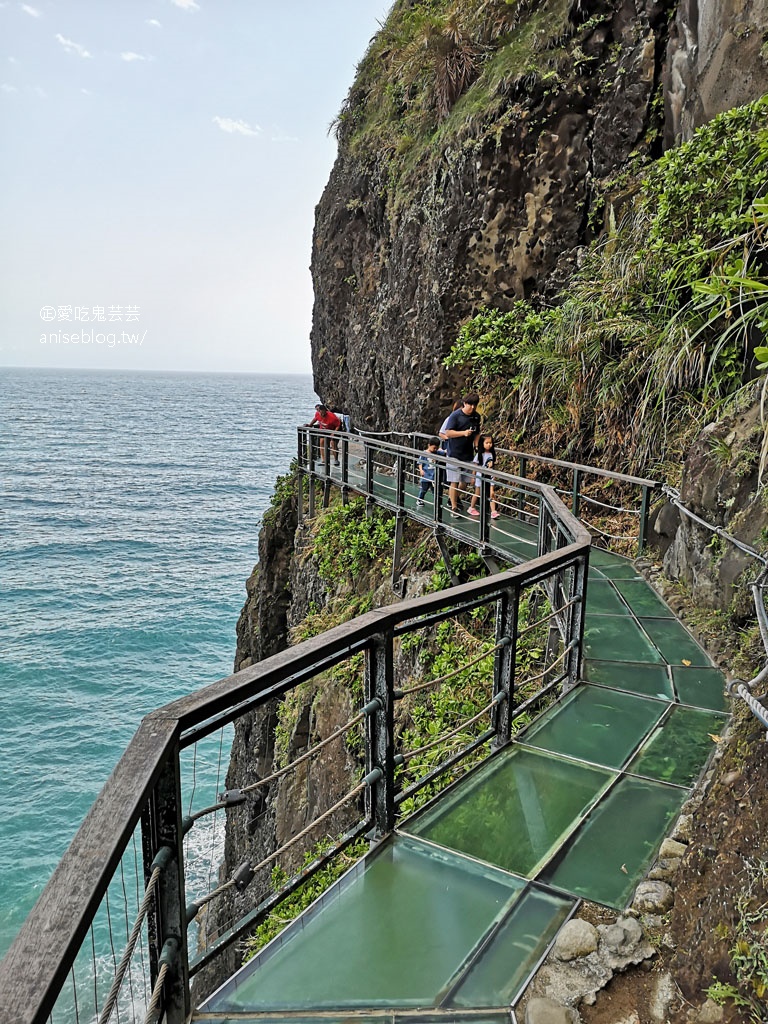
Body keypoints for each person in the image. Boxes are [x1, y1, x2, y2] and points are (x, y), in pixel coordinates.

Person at [442, 393, 481, 517]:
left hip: (468, 454)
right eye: (470, 404)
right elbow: (448, 433)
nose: (473, 407)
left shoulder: (476, 417)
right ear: (465, 403)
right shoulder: (455, 416)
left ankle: (452, 498)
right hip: (454, 453)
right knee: (454, 481)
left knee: (465, 482)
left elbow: (477, 433)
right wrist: (463, 433)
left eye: (475, 405)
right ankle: (454, 508)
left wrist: (476, 445)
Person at [468, 434, 499, 519]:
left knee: (491, 493)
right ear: (482, 443)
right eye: (487, 443)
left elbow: (493, 466)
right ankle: (472, 507)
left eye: (490, 443)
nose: (489, 444)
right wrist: (473, 477)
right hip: (480, 476)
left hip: (489, 476)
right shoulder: (479, 454)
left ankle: (493, 511)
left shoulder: (492, 454)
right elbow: (475, 466)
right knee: (477, 492)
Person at [416, 436, 445, 508]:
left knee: (434, 490)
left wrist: (444, 451)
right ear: (429, 445)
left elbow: (444, 452)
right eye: (434, 448)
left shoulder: (437, 452)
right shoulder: (424, 453)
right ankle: (419, 499)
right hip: (426, 475)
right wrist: (421, 470)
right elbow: (420, 463)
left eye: (436, 448)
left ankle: (436, 502)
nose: (435, 449)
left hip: (433, 476)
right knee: (423, 489)